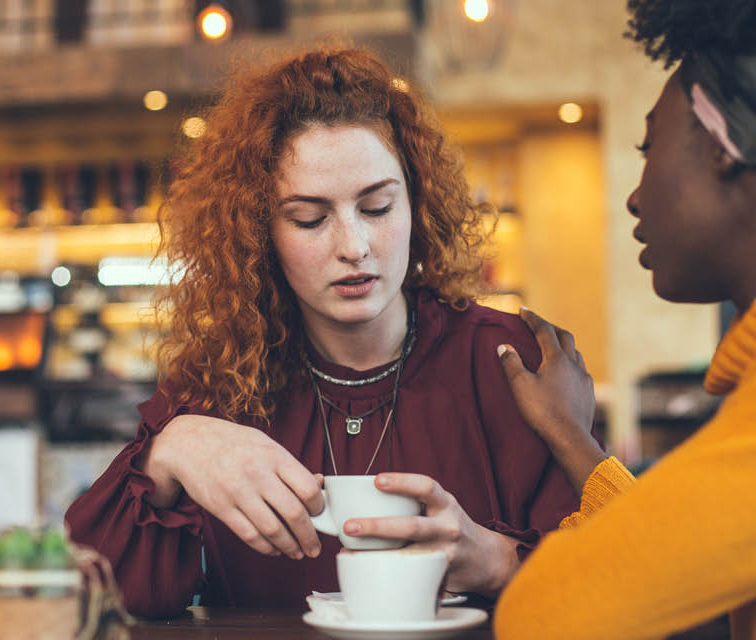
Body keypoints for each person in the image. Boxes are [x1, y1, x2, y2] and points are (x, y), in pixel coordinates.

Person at [65, 47, 590, 618]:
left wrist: (497, 559)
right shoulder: (222, 381)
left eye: (378, 207)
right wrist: (168, 454)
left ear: (418, 203)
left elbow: (617, 586)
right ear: (259, 234)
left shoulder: (507, 361)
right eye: (309, 219)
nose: (354, 247)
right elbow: (99, 598)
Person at [493, 1, 756, 638]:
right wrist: (572, 435)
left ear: (725, 148)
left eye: (650, 144)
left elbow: (547, 613)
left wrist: (504, 561)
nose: (635, 195)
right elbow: (684, 551)